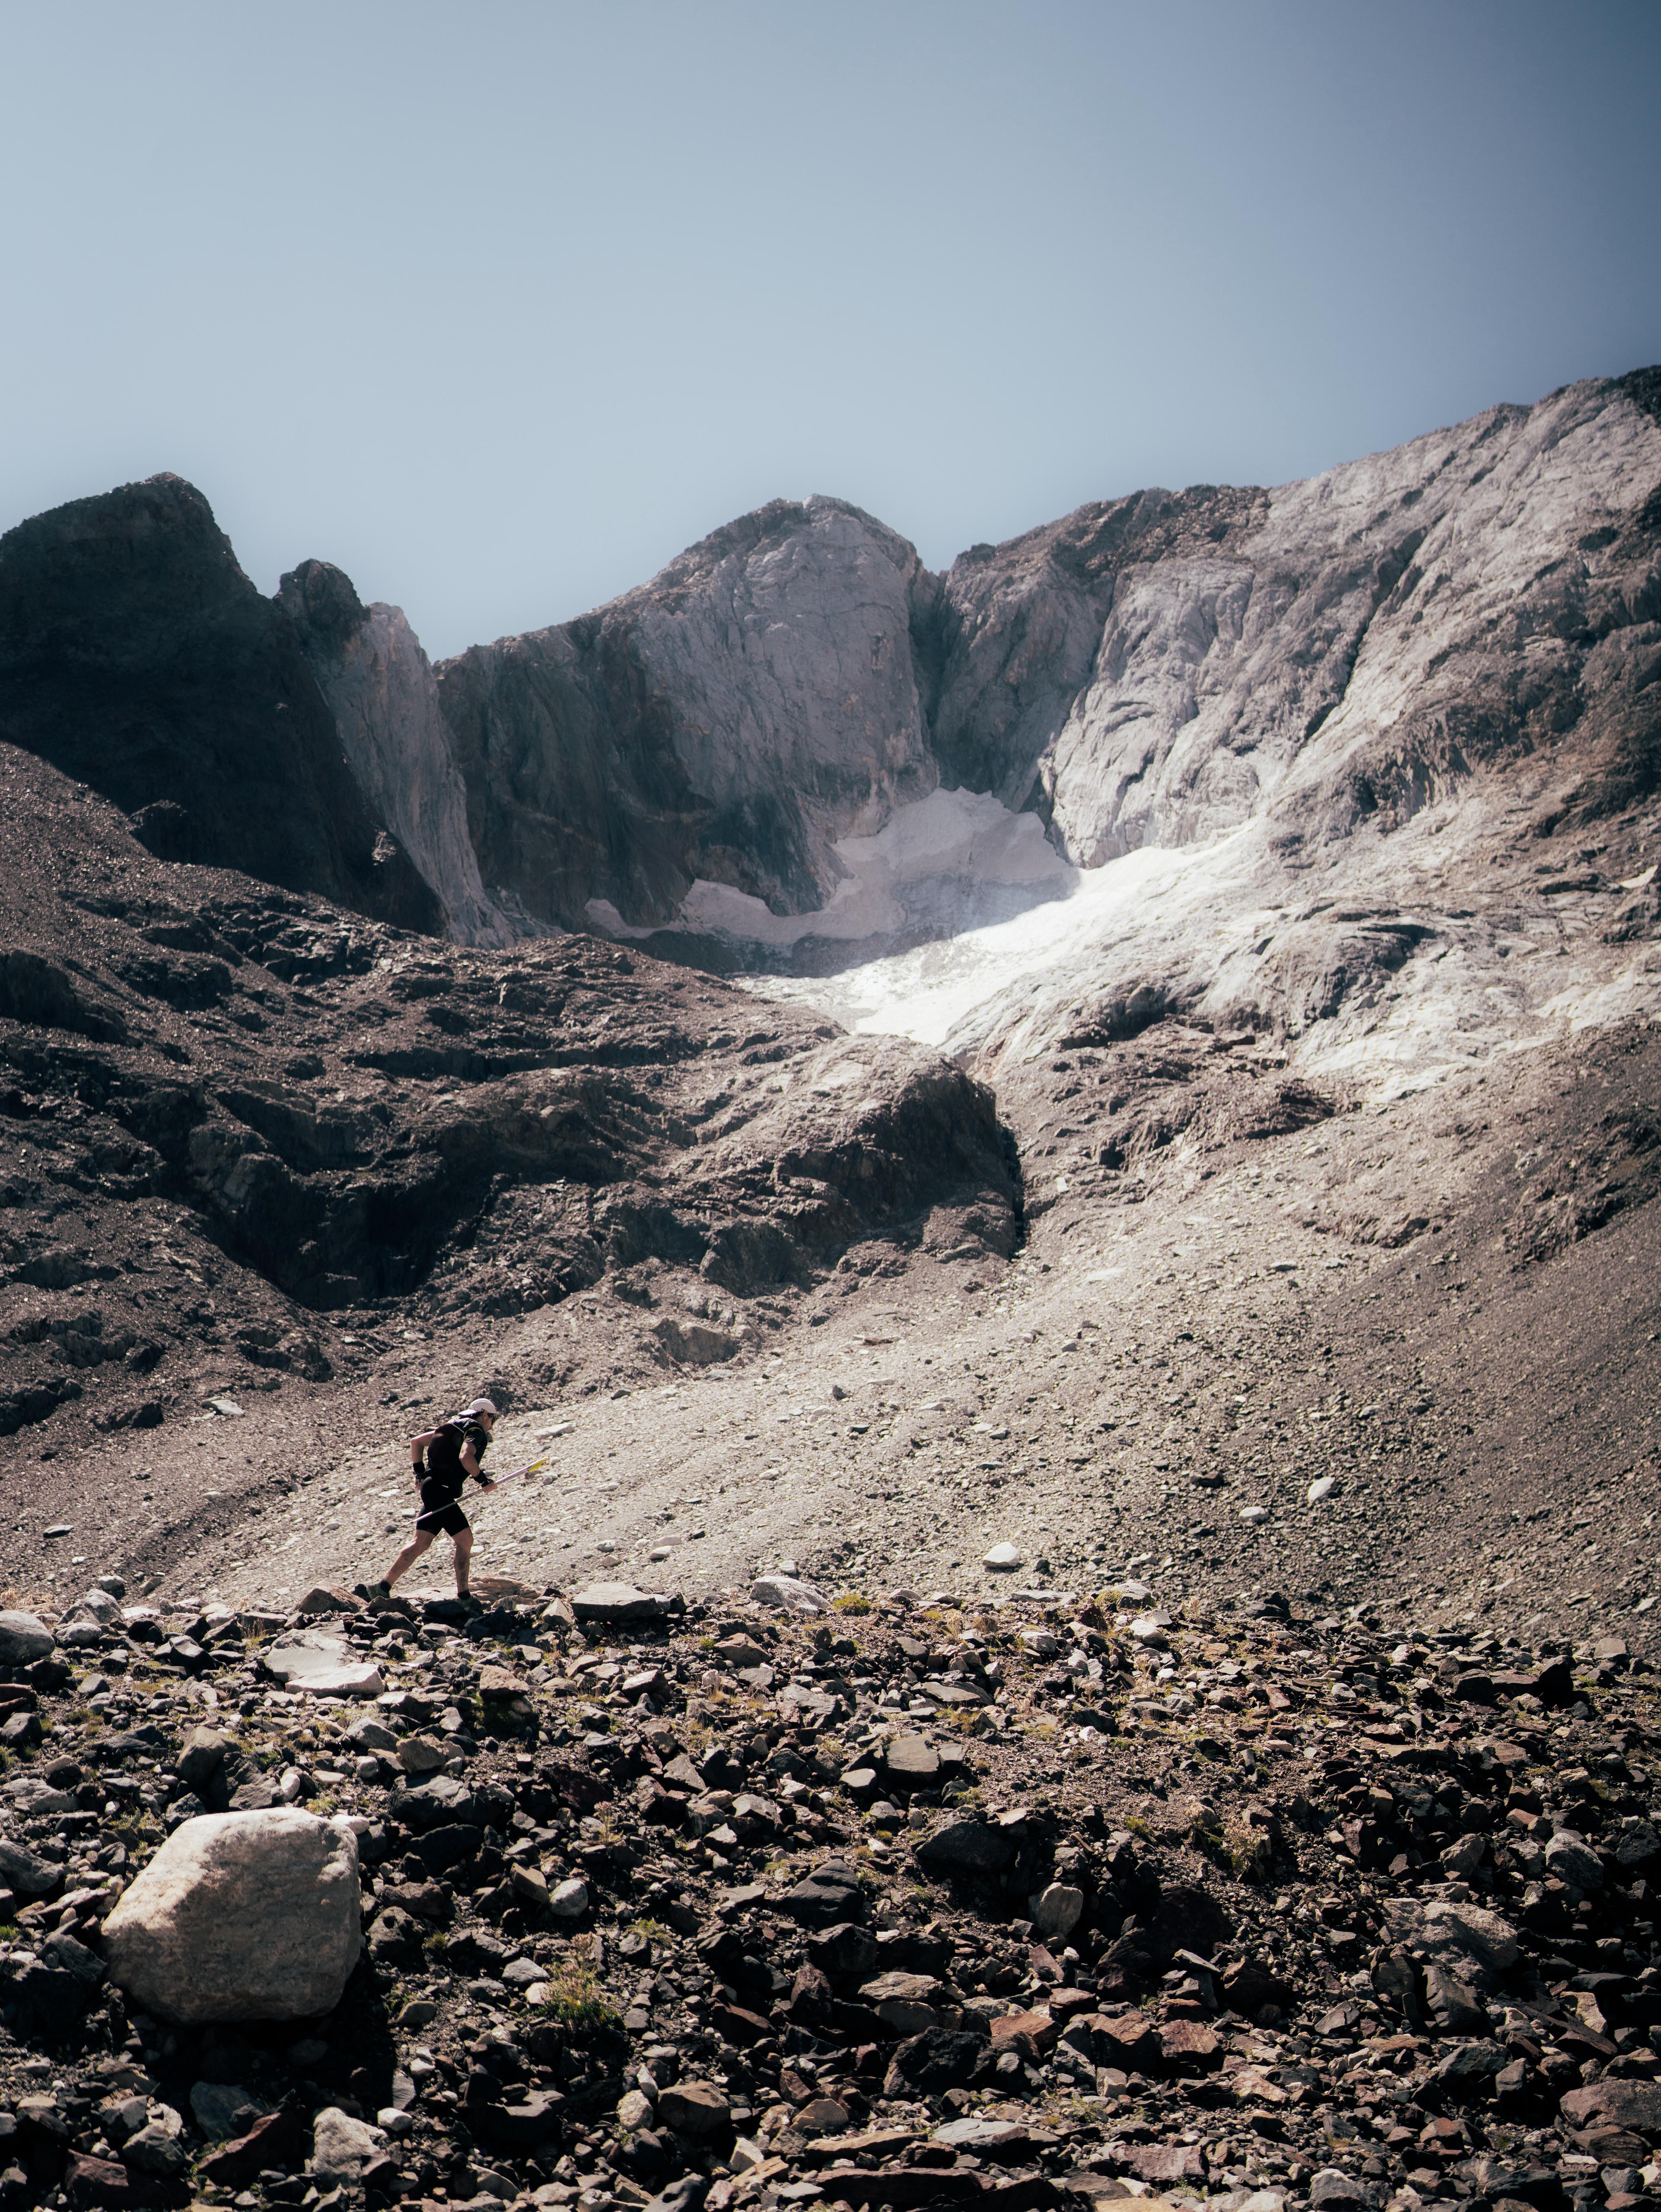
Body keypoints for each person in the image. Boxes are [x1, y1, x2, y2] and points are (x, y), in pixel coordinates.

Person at [369, 1396, 498, 1605]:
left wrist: (419, 1473)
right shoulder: (475, 1430)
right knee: (465, 1541)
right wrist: (483, 1481)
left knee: (421, 1542)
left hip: (432, 1488)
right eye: (493, 1419)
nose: (492, 1425)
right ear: (485, 1414)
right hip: (442, 1491)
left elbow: (417, 1442)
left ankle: (381, 1588)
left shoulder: (451, 1426)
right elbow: (466, 1456)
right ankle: (465, 1598)